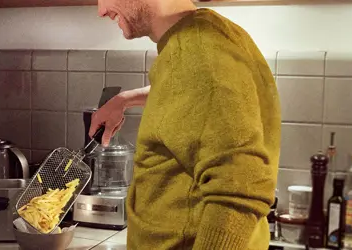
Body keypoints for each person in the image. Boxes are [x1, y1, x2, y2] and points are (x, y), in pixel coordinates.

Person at [90, 1, 280, 249]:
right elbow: (197, 91)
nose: (101, 10)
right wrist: (125, 100)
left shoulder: (198, 50)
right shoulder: (213, 35)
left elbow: (239, 185)